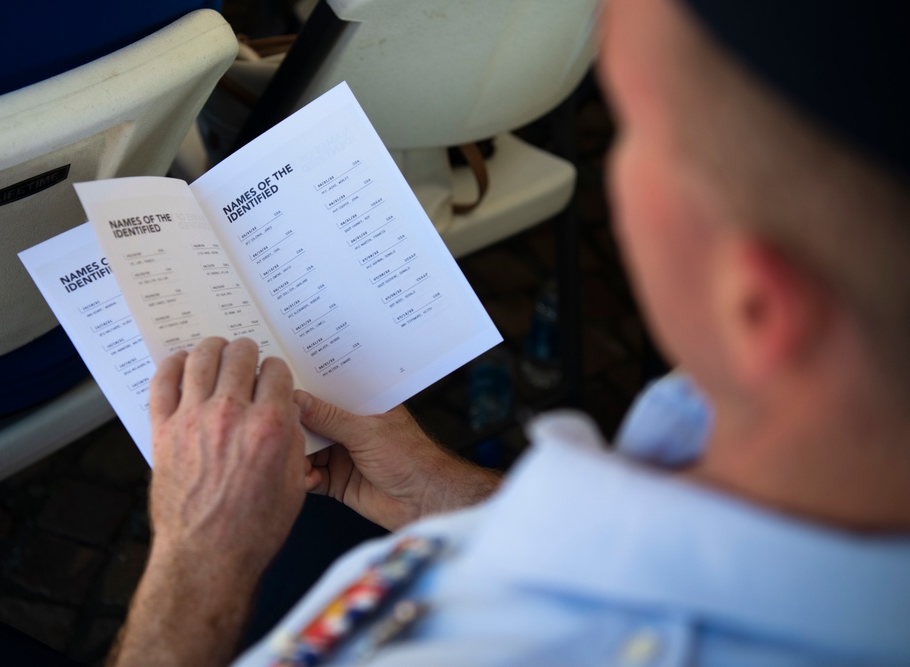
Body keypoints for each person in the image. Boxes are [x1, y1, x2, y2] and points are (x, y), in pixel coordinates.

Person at [107, 0, 910, 664]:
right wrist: (446, 494)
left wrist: (200, 560)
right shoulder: (765, 412)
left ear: (757, 308)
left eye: (636, 133)